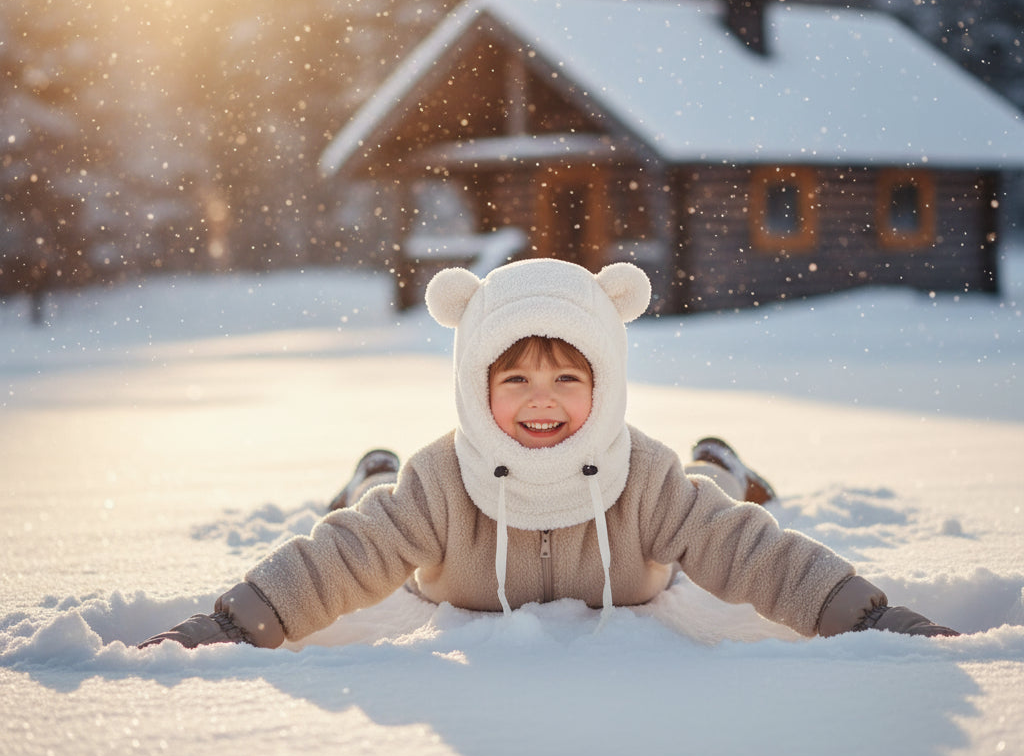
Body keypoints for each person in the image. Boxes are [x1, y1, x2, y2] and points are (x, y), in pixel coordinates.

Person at [139, 258, 957, 649]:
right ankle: (370, 470)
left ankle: (725, 461)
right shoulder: (442, 481)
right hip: (418, 522)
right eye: (516, 377)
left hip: (656, 538)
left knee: (711, 495)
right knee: (367, 511)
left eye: (570, 375)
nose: (542, 399)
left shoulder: (645, 477)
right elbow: (344, 559)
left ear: (604, 384)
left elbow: (751, 553)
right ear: (474, 386)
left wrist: (872, 618)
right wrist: (230, 626)